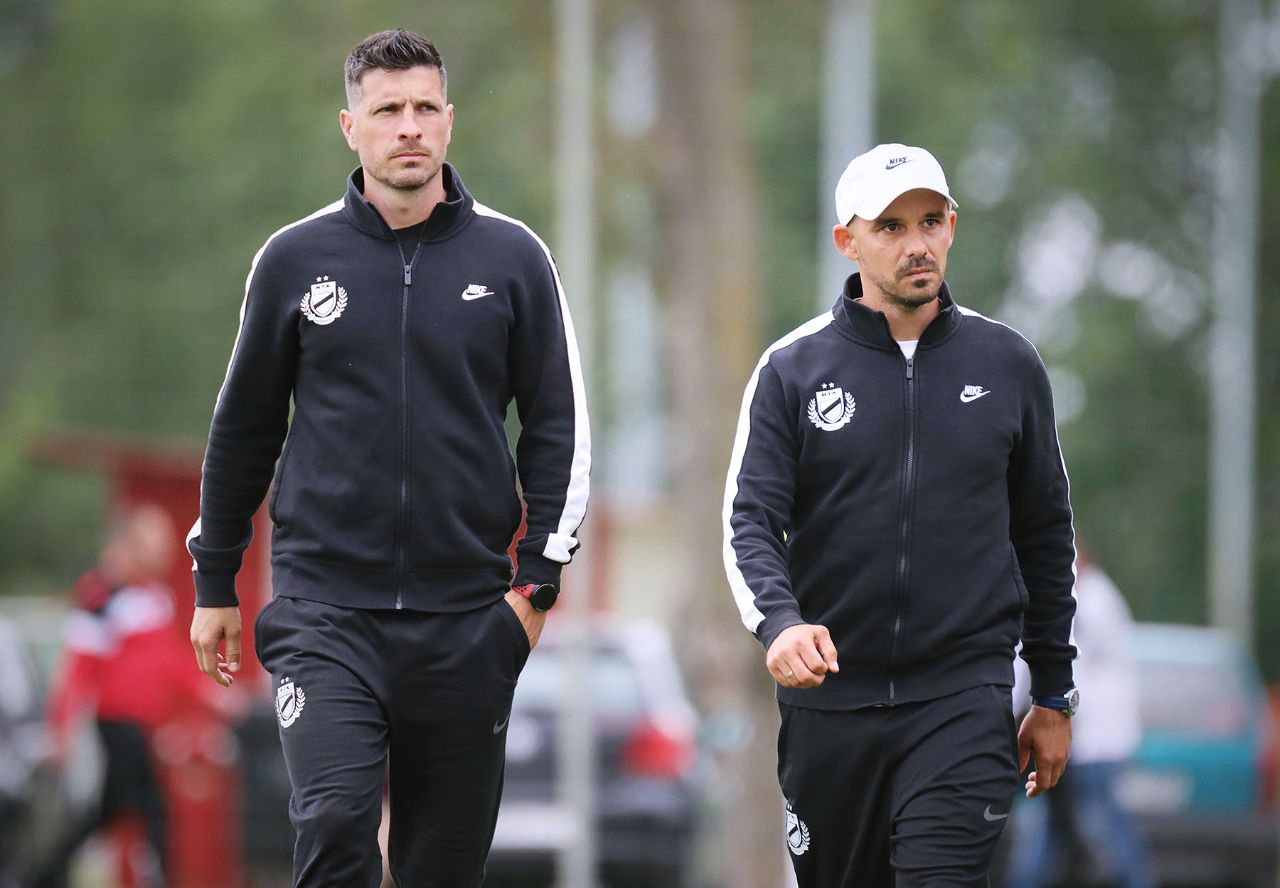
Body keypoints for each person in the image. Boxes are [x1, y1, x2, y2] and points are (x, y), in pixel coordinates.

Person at [186, 28, 590, 888]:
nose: (408, 126)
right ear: (351, 127)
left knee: (441, 869)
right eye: (387, 110)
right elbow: (243, 427)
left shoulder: (515, 258)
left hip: (467, 621)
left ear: (449, 120)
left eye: (424, 108)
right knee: (335, 824)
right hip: (324, 611)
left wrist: (534, 588)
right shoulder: (293, 260)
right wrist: (215, 578)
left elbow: (560, 428)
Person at [722, 142, 1078, 887]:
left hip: (964, 697)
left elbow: (1044, 533)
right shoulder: (791, 369)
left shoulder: (1008, 363)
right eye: (890, 226)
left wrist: (1052, 693)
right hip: (830, 706)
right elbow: (749, 520)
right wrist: (780, 623)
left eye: (931, 221)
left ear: (952, 226)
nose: (917, 243)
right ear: (846, 242)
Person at [37, 503, 215, 888]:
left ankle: (43, 875)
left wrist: (208, 688)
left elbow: (169, 659)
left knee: (112, 809)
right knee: (151, 807)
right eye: (157, 540)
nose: (167, 548)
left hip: (142, 723)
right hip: (117, 722)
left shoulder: (155, 595)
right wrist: (60, 729)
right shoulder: (102, 595)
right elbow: (78, 667)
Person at [1005, 550, 1154, 887]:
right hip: (1086, 737)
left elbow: (1063, 658)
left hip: (1094, 740)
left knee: (1104, 828)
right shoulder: (1098, 596)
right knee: (1062, 826)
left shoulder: (1090, 598)